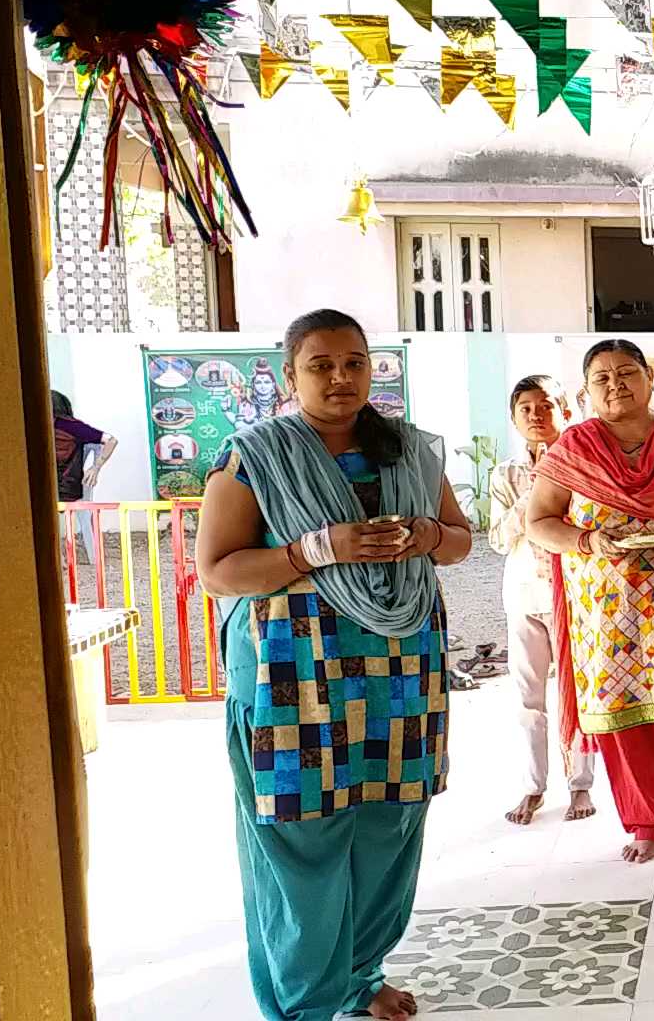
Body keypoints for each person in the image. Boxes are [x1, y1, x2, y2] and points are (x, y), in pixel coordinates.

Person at [194, 309, 473, 1021]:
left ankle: (358, 977)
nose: (341, 378)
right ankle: (305, 1004)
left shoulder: (406, 449)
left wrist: (425, 533)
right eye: (321, 365)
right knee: (302, 835)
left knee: (391, 825)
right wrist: (313, 551)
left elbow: (459, 543)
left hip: (400, 674)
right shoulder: (252, 457)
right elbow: (220, 572)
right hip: (295, 681)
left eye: (354, 362)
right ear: (290, 376)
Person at [527, 340, 654, 864]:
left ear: (648, 379)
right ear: (587, 390)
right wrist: (586, 541)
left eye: (626, 372)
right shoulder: (573, 449)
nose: (615, 384)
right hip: (608, 619)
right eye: (602, 377)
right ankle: (650, 823)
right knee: (629, 726)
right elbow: (540, 522)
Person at [489, 375, 597, 827]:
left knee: (575, 689)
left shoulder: (582, 464)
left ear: (565, 412)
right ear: (514, 419)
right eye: (526, 409)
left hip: (571, 591)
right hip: (523, 592)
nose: (537, 415)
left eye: (546, 406)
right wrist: (531, 498)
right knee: (528, 694)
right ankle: (534, 786)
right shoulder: (504, 475)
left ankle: (581, 785)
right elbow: (497, 539)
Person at [53, 390, 118, 561]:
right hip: (69, 488)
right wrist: (95, 467)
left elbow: (111, 440)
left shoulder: (40, 426)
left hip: (56, 491)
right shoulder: (73, 427)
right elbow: (111, 440)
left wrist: (95, 467)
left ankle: (56, 557)